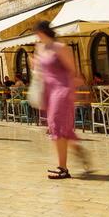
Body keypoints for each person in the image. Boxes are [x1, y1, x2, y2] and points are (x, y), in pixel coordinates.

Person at [34, 20, 90, 179]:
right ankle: (77, 150)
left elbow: (72, 71)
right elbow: (39, 72)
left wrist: (70, 90)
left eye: (37, 32)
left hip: (62, 91)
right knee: (56, 126)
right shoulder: (40, 49)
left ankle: (63, 168)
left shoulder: (60, 48)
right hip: (49, 92)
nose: (36, 36)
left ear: (43, 31)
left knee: (57, 126)